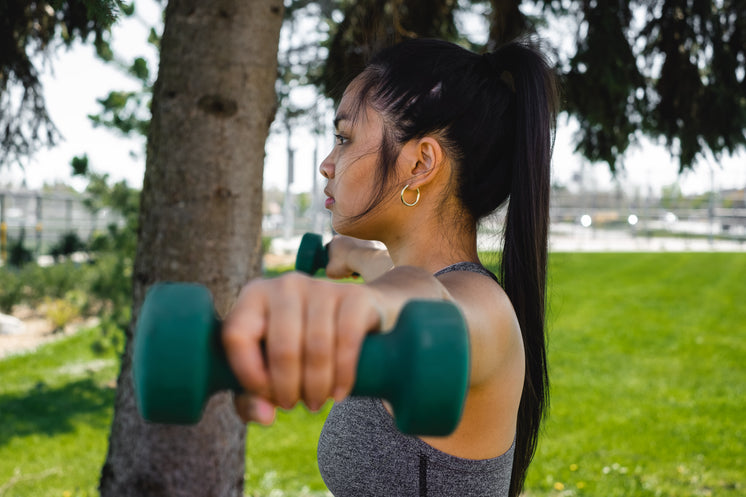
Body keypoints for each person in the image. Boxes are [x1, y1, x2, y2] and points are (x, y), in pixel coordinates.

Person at [223, 37, 558, 497]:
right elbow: (401, 277)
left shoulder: (483, 311)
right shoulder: (427, 274)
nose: (327, 163)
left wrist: (345, 305)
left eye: (344, 138)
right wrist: (356, 256)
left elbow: (428, 308)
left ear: (421, 164)